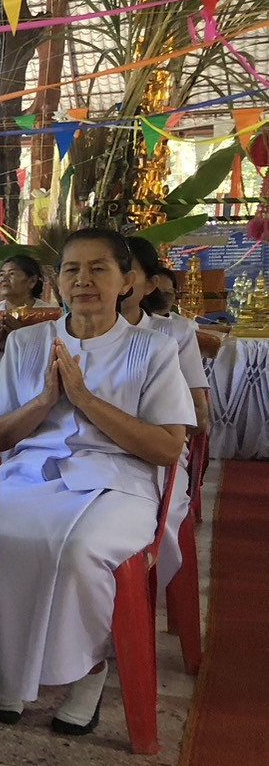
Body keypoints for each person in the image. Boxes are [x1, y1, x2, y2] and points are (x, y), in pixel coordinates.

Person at [0, 229, 193, 734]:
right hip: (32, 471)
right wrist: (43, 403)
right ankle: (9, 669)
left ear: (126, 281)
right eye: (72, 269)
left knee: (80, 550)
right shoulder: (28, 343)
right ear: (55, 282)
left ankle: (89, 670)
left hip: (123, 479)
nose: (84, 280)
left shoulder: (154, 350)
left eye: (99, 269)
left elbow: (166, 448)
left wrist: (87, 400)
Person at [122, 235, 208, 602]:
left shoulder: (173, 334)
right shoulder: (62, 334)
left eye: (123, 271)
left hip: (152, 454)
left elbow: (198, 418)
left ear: (147, 283)